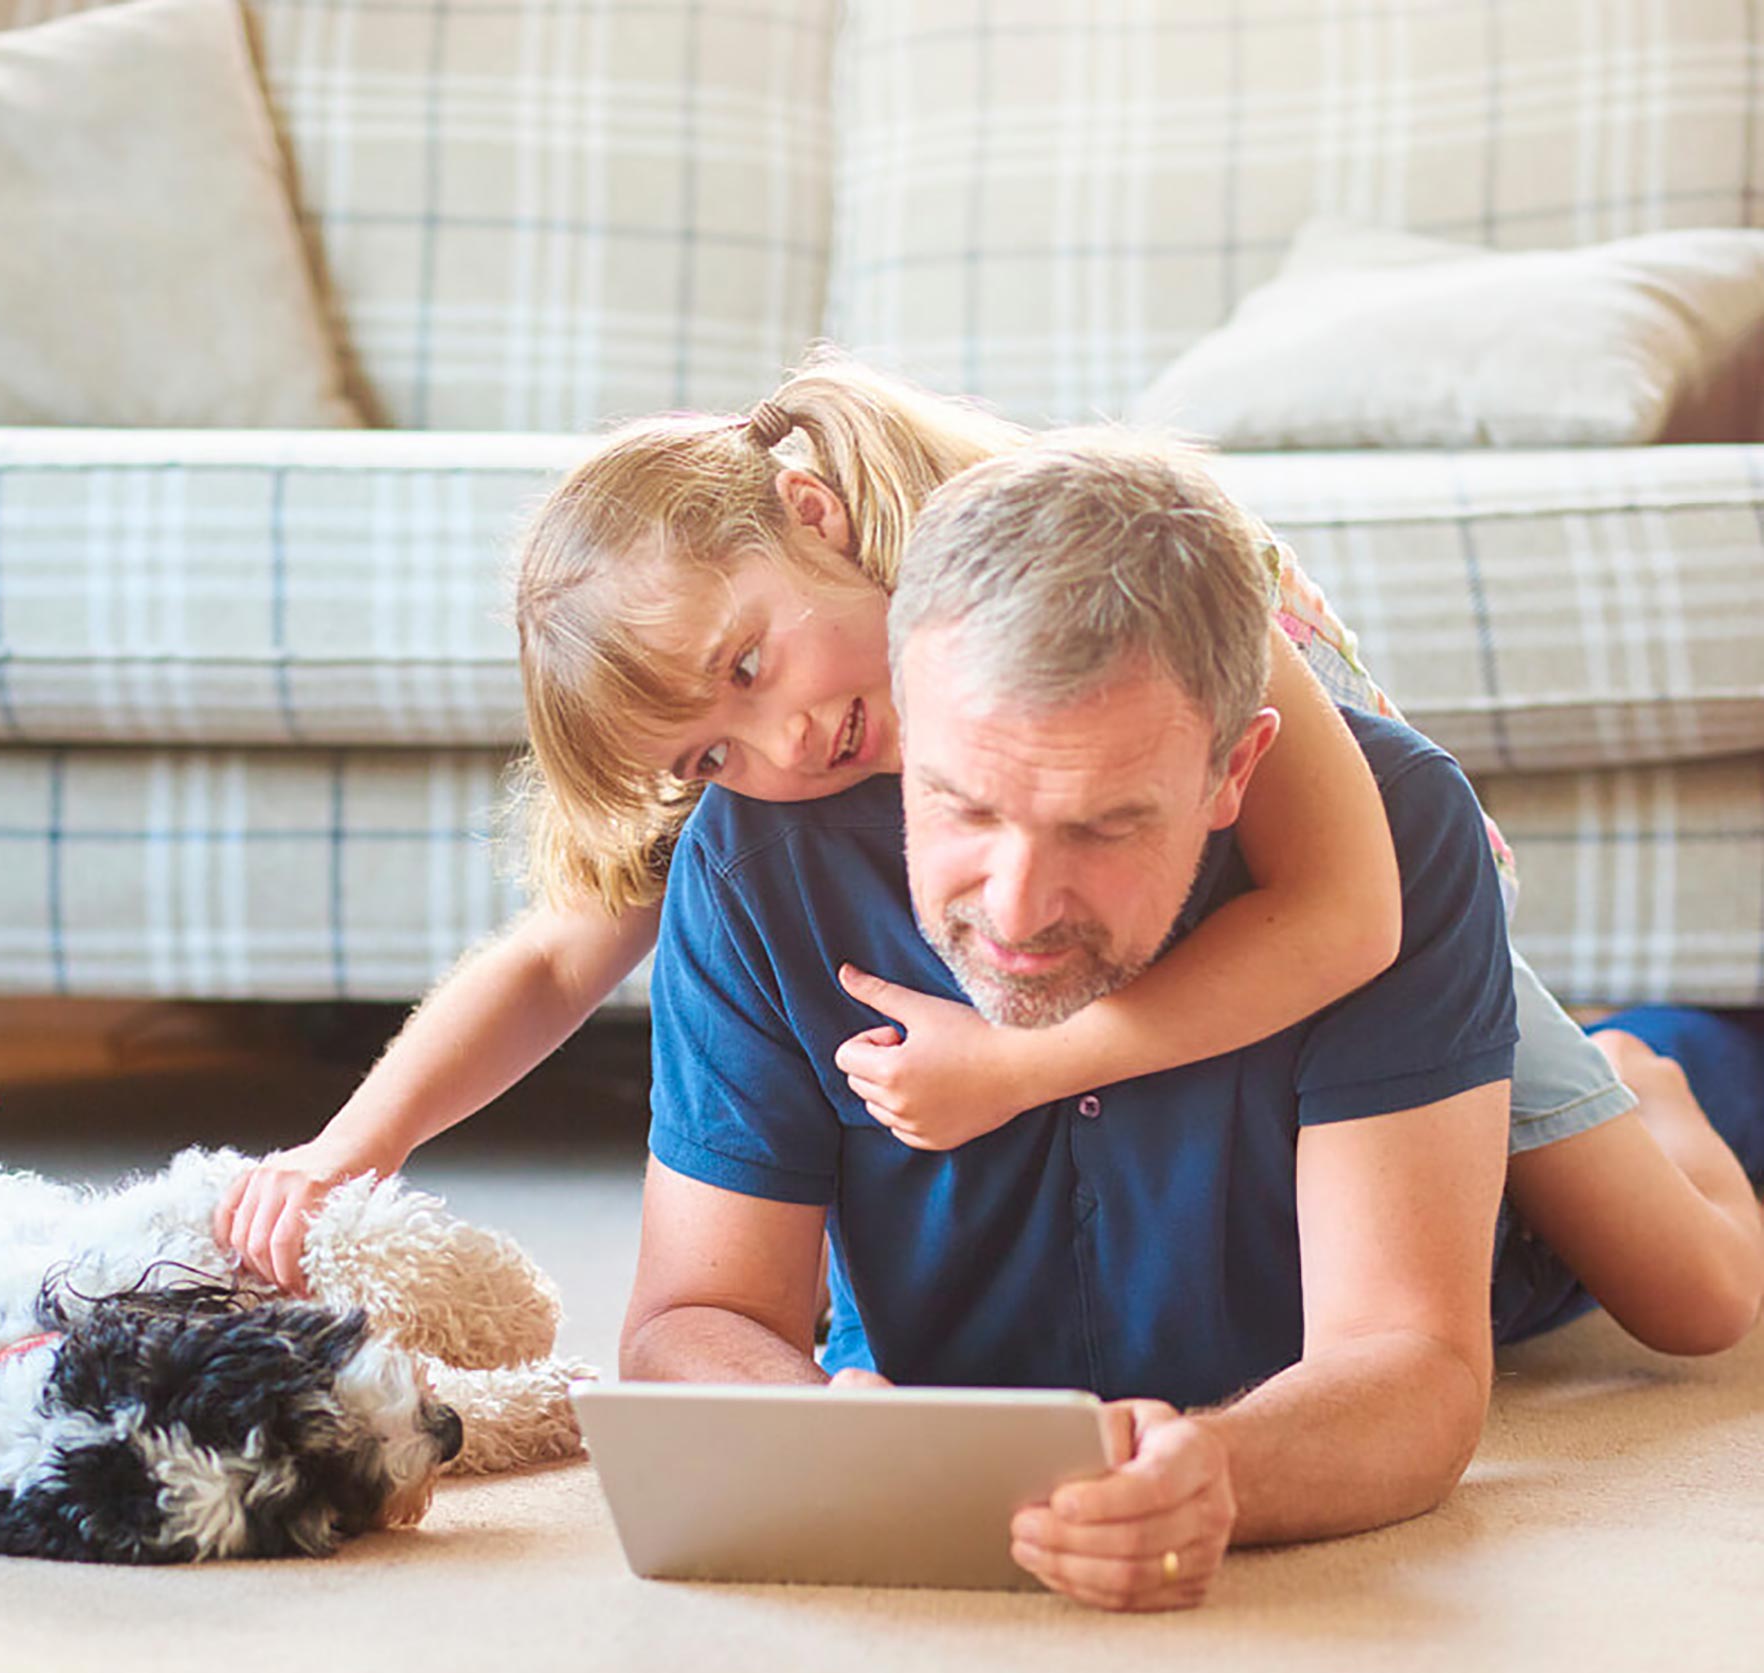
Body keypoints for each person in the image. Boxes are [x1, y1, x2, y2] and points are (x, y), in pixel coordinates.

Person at [216, 355, 1760, 1378]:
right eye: (711, 754)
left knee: (1697, 1301)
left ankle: (1659, 1080)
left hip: (1382, 915)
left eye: (752, 660)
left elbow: (1346, 916)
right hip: (1223, 928)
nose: (781, 743)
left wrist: (1016, 1075)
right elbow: (560, 953)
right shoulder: (783, 771)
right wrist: (348, 1149)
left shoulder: (1120, 584)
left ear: (815, 516)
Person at [620, 436, 1764, 1610]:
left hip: (1507, 1217)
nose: (1014, 910)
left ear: (1234, 771)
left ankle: (1647, 1070)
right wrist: (812, 1426)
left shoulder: (1397, 828)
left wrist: (1222, 1469)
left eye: (1105, 827)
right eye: (962, 807)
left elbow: (1412, 1362)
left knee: (1702, 1297)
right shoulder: (756, 853)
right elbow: (692, 1317)